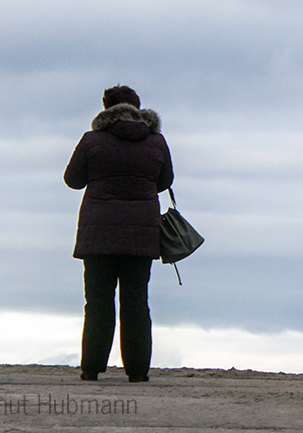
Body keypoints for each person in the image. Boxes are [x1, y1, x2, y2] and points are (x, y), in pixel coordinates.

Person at [64, 85, 174, 383]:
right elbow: (165, 181)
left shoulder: (92, 140)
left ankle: (91, 368)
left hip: (98, 233)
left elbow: (72, 180)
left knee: (98, 301)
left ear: (106, 107)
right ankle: (137, 371)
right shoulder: (156, 141)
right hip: (141, 232)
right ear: (137, 107)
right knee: (136, 300)